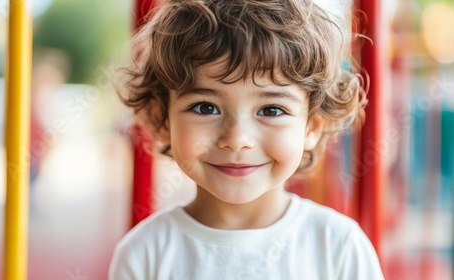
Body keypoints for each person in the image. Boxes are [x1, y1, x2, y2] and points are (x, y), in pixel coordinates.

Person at [109, 0, 384, 279]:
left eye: (271, 110)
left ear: (311, 127)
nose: (237, 140)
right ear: (163, 119)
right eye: (206, 108)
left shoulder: (339, 248)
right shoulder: (143, 254)